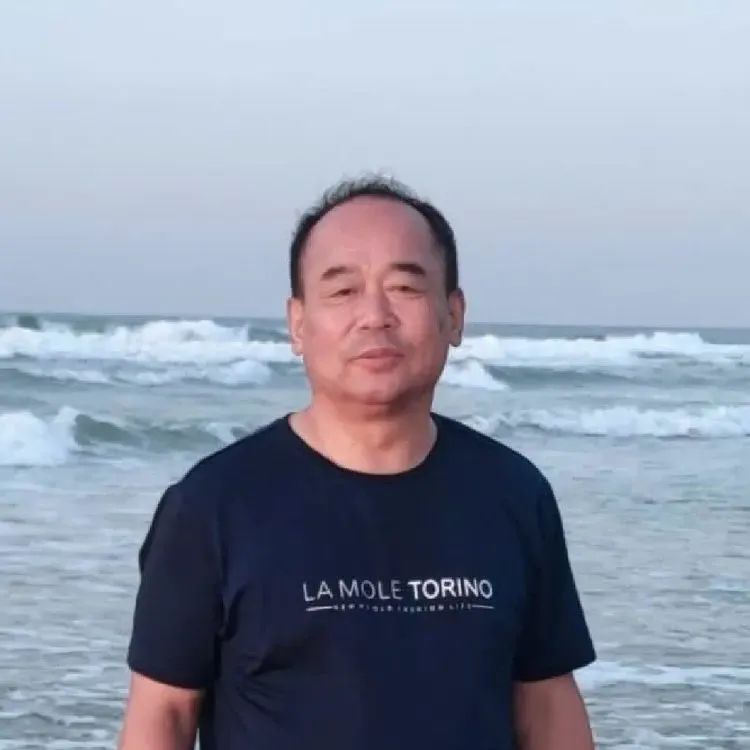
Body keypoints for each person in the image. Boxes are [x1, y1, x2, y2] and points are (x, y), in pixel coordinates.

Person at [117, 176, 597, 750]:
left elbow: (547, 705)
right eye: (343, 290)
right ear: (298, 324)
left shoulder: (513, 493)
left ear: (454, 314)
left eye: (405, 286)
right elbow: (163, 716)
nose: (375, 315)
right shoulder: (212, 506)